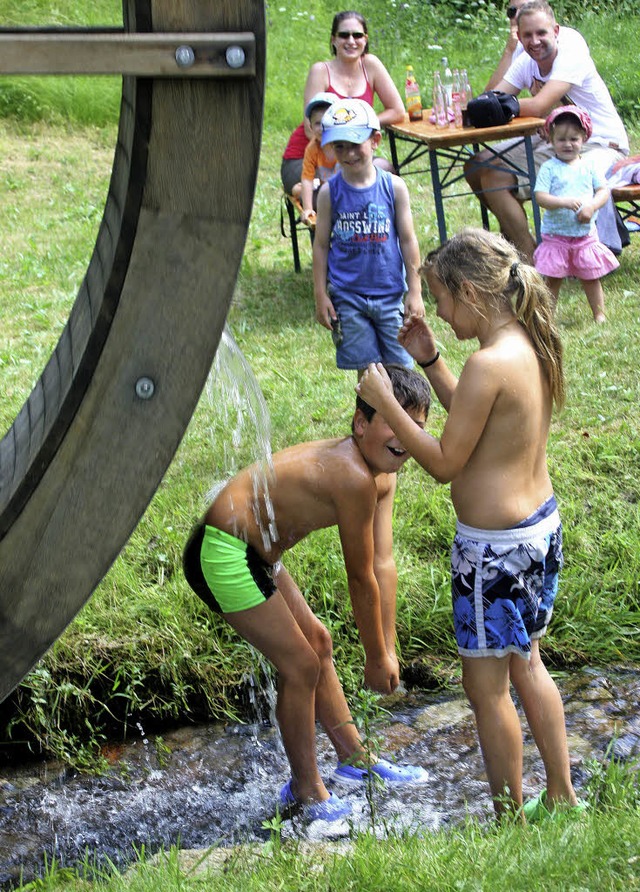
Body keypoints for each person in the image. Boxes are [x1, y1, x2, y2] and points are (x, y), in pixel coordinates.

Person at [356, 228, 584, 822]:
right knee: (527, 662)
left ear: (468, 291)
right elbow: (473, 419)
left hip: (494, 554)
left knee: (486, 689)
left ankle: (509, 819)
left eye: (441, 300)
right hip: (536, 531)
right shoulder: (524, 345)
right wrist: (430, 360)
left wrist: (387, 406)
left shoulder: (487, 362)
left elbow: (442, 461)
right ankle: (560, 792)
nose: (440, 312)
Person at [182, 365, 431, 822]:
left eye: (417, 426)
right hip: (223, 550)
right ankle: (306, 790)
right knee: (301, 665)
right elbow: (359, 577)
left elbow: (382, 562)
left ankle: (355, 760)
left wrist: (387, 648)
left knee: (318, 644)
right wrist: (375, 656)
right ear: (361, 424)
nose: (406, 436)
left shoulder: (383, 474)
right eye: (395, 421)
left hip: (257, 553)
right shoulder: (352, 475)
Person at [464, 0, 629, 261]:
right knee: (476, 165)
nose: (535, 41)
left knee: (495, 176)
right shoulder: (525, 59)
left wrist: (507, 106)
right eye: (527, 35)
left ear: (556, 31)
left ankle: (531, 259)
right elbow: (488, 102)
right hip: (553, 140)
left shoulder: (571, 50)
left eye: (541, 33)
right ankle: (520, 247)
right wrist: (509, 57)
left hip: (598, 144)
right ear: (519, 35)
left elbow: (539, 104)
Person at [313, 98, 425, 378]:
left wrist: (415, 290)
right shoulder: (329, 193)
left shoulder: (394, 188)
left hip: (389, 294)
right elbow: (321, 245)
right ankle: (373, 421)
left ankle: (403, 421)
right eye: (340, 146)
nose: (349, 154)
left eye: (355, 144)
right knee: (369, 374)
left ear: (375, 140)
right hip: (348, 296)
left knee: (400, 369)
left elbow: (408, 240)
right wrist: (320, 294)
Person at [280, 10, 404, 196]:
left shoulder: (371, 65)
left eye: (357, 35)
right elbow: (309, 129)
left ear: (366, 39)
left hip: (350, 155)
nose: (351, 41)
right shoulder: (320, 71)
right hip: (307, 158)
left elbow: (397, 111)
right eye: (344, 35)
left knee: (384, 172)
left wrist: (362, 124)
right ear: (333, 40)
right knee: (331, 194)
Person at [533, 106, 618, 323]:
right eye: (561, 139)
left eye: (574, 139)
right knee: (553, 279)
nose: (568, 144)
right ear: (551, 140)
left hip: (584, 235)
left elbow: (603, 191)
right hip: (556, 235)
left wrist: (591, 207)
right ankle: (547, 317)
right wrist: (562, 202)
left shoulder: (589, 166)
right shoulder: (549, 168)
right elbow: (540, 196)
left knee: (591, 277)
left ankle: (599, 314)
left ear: (583, 139)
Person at [296, 92, 340, 227]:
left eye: (327, 122)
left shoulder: (344, 144)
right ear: (310, 127)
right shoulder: (312, 149)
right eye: (317, 123)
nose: (322, 128)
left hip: (347, 190)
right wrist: (308, 208)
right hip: (326, 191)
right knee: (301, 191)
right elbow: (307, 179)